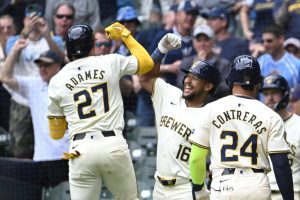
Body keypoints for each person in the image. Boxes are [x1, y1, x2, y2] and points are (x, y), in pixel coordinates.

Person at [47, 22, 154, 200]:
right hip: (113, 145)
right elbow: (146, 63)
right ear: (93, 46)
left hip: (80, 150)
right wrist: (124, 34)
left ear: (67, 49)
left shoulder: (57, 80)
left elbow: (56, 133)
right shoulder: (109, 61)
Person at [189, 55, 294, 200]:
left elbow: (195, 159)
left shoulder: (210, 109)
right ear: (258, 84)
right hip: (257, 185)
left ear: (229, 81)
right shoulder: (271, 116)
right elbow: (281, 165)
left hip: (223, 185)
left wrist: (199, 190)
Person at [139, 33, 220, 199]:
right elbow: (145, 78)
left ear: (208, 86)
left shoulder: (212, 115)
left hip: (186, 189)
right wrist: (160, 51)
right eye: (188, 76)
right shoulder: (170, 94)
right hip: (159, 188)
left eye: (195, 78)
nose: (188, 81)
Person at [0, 49, 69, 198]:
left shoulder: (71, 85)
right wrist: (16, 48)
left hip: (69, 155)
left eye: (47, 65)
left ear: (58, 66)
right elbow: (4, 77)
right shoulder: (34, 85)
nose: (42, 69)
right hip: (43, 158)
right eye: (40, 65)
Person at [4, 4, 64, 158]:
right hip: (21, 97)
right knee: (20, 147)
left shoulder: (54, 39)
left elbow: (62, 61)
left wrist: (46, 35)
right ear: (24, 19)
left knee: (50, 138)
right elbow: (10, 63)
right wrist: (24, 32)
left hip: (45, 95)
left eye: (37, 18)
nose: (34, 22)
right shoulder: (15, 40)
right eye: (30, 18)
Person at [260, 74, 300, 200]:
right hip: (262, 193)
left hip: (294, 193)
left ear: (285, 95)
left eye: (275, 93)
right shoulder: (257, 125)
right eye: (266, 94)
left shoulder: (298, 125)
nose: (270, 98)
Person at [258, 24, 300, 91]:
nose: (265, 44)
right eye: (263, 41)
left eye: (269, 41)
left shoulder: (296, 65)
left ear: (281, 39)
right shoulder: (260, 61)